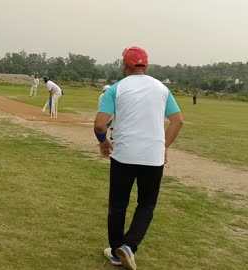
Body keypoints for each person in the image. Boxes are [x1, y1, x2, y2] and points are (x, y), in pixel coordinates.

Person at [94, 47, 183, 270]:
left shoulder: (116, 89)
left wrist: (104, 143)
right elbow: (177, 121)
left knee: (118, 205)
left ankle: (117, 250)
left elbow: (99, 125)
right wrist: (164, 146)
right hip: (153, 158)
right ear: (146, 66)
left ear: (124, 65)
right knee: (146, 204)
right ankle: (130, 246)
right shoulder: (162, 88)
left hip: (124, 155)